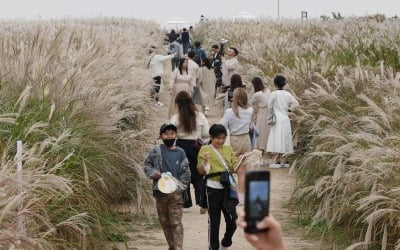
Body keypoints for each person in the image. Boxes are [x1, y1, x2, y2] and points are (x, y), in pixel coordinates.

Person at [143, 123, 191, 250]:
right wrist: (154, 173)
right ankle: (172, 245)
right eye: (166, 134)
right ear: (161, 136)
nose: (169, 136)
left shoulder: (181, 152)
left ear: (176, 135)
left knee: (176, 222)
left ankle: (178, 247)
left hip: (176, 194)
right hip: (160, 193)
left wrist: (180, 188)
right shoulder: (155, 151)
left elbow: (186, 172)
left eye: (172, 134)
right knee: (165, 222)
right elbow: (147, 166)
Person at [197, 124, 243, 250]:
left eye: (223, 138)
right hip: (212, 188)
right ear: (211, 137)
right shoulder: (204, 149)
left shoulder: (228, 149)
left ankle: (226, 243)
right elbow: (202, 171)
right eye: (218, 138)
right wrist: (205, 161)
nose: (221, 141)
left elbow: (234, 167)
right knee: (214, 222)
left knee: (233, 220)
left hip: (228, 188)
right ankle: (214, 247)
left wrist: (243, 160)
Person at [170, 91, 210, 213]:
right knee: (198, 174)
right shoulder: (200, 116)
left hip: (181, 146)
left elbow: (170, 134)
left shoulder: (176, 118)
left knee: (182, 175)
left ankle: (185, 203)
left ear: (178, 104)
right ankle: (202, 201)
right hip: (196, 146)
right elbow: (206, 134)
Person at [220, 88, 253, 203]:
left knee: (229, 168)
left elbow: (222, 126)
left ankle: (231, 195)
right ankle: (242, 197)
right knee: (242, 171)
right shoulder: (250, 110)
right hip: (246, 139)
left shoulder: (229, 112)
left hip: (233, 140)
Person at [266, 75, 299, 168]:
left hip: (277, 118)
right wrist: (289, 110)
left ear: (275, 83)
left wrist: (272, 112)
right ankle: (285, 160)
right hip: (285, 118)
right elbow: (296, 103)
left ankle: (277, 160)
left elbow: (269, 106)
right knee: (285, 138)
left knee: (277, 138)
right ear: (284, 84)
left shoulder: (274, 94)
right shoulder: (288, 94)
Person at [251, 77, 271, 164]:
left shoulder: (257, 94)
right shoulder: (267, 90)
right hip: (269, 113)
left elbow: (250, 103)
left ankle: (261, 158)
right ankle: (268, 157)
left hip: (262, 114)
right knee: (267, 134)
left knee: (260, 134)